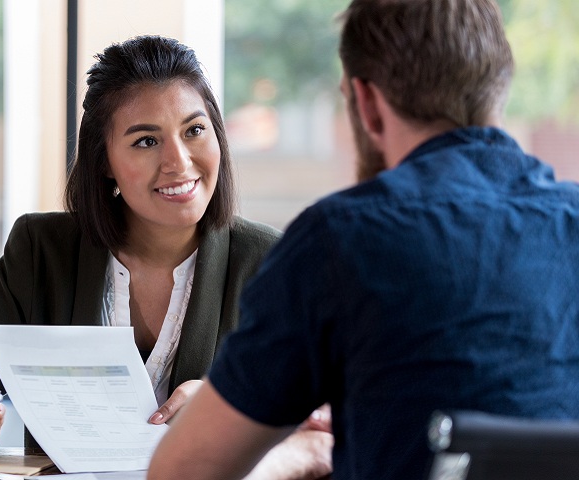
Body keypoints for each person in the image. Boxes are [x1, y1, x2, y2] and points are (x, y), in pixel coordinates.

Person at [148, 1, 579, 480]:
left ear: (367, 104)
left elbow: (182, 472)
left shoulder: (340, 241)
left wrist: (304, 451)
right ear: (500, 85)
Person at [0, 35, 293, 463]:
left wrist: (228, 408)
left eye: (194, 130)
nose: (179, 161)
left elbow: (322, 419)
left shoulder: (269, 261)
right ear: (103, 161)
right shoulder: (42, 252)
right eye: (146, 141)